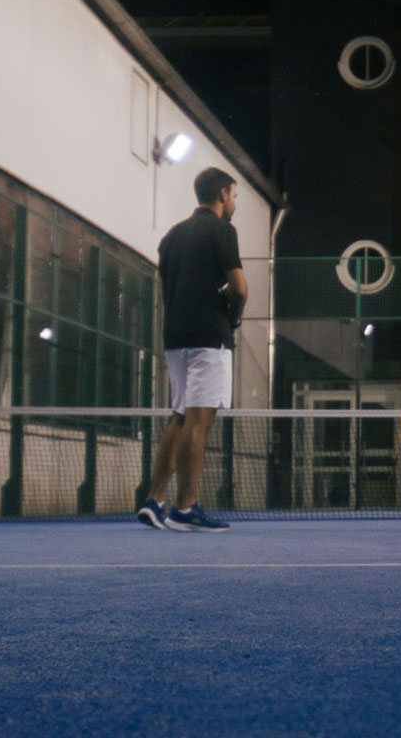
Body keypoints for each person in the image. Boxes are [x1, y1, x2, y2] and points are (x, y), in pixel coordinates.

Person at [138, 167, 246, 533]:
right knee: (200, 420)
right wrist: (234, 317)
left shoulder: (171, 236)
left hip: (175, 337)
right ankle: (185, 508)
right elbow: (240, 287)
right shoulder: (223, 231)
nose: (234, 204)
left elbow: (165, 285)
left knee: (180, 415)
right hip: (208, 337)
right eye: (233, 196)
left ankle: (155, 499)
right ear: (221, 194)